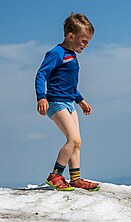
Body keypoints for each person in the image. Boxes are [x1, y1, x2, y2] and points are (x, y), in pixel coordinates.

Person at [35, 13, 99, 191]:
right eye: (84, 41)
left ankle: (75, 179)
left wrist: (80, 100)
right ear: (71, 36)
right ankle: (55, 175)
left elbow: (68, 85)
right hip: (56, 102)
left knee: (77, 142)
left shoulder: (71, 55)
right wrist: (41, 96)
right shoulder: (57, 53)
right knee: (73, 139)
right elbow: (41, 74)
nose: (86, 45)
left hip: (69, 102)